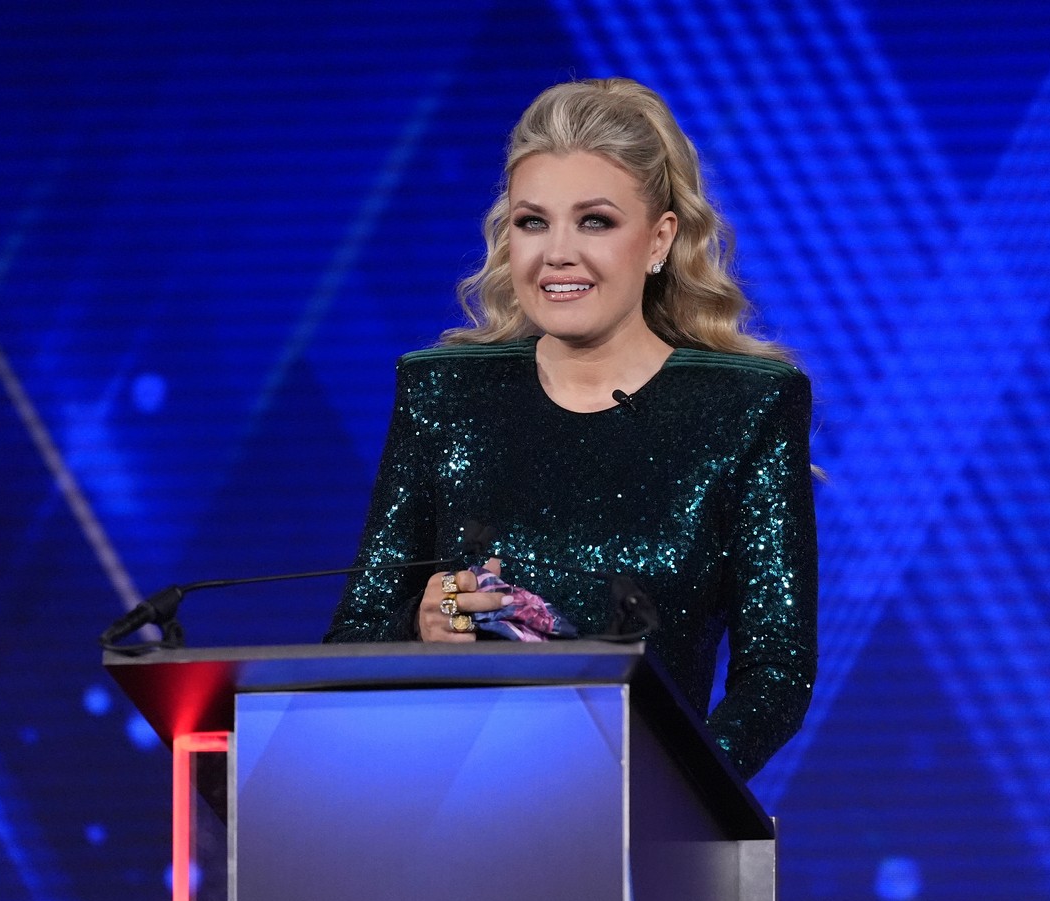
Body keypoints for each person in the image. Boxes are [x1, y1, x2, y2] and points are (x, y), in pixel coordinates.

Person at [324, 78, 816, 779]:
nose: (557, 253)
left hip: (641, 831)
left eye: (594, 221)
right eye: (533, 221)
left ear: (659, 239)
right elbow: (355, 632)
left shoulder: (745, 407)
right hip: (444, 809)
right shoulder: (445, 394)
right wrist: (419, 626)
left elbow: (777, 674)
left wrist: (674, 786)